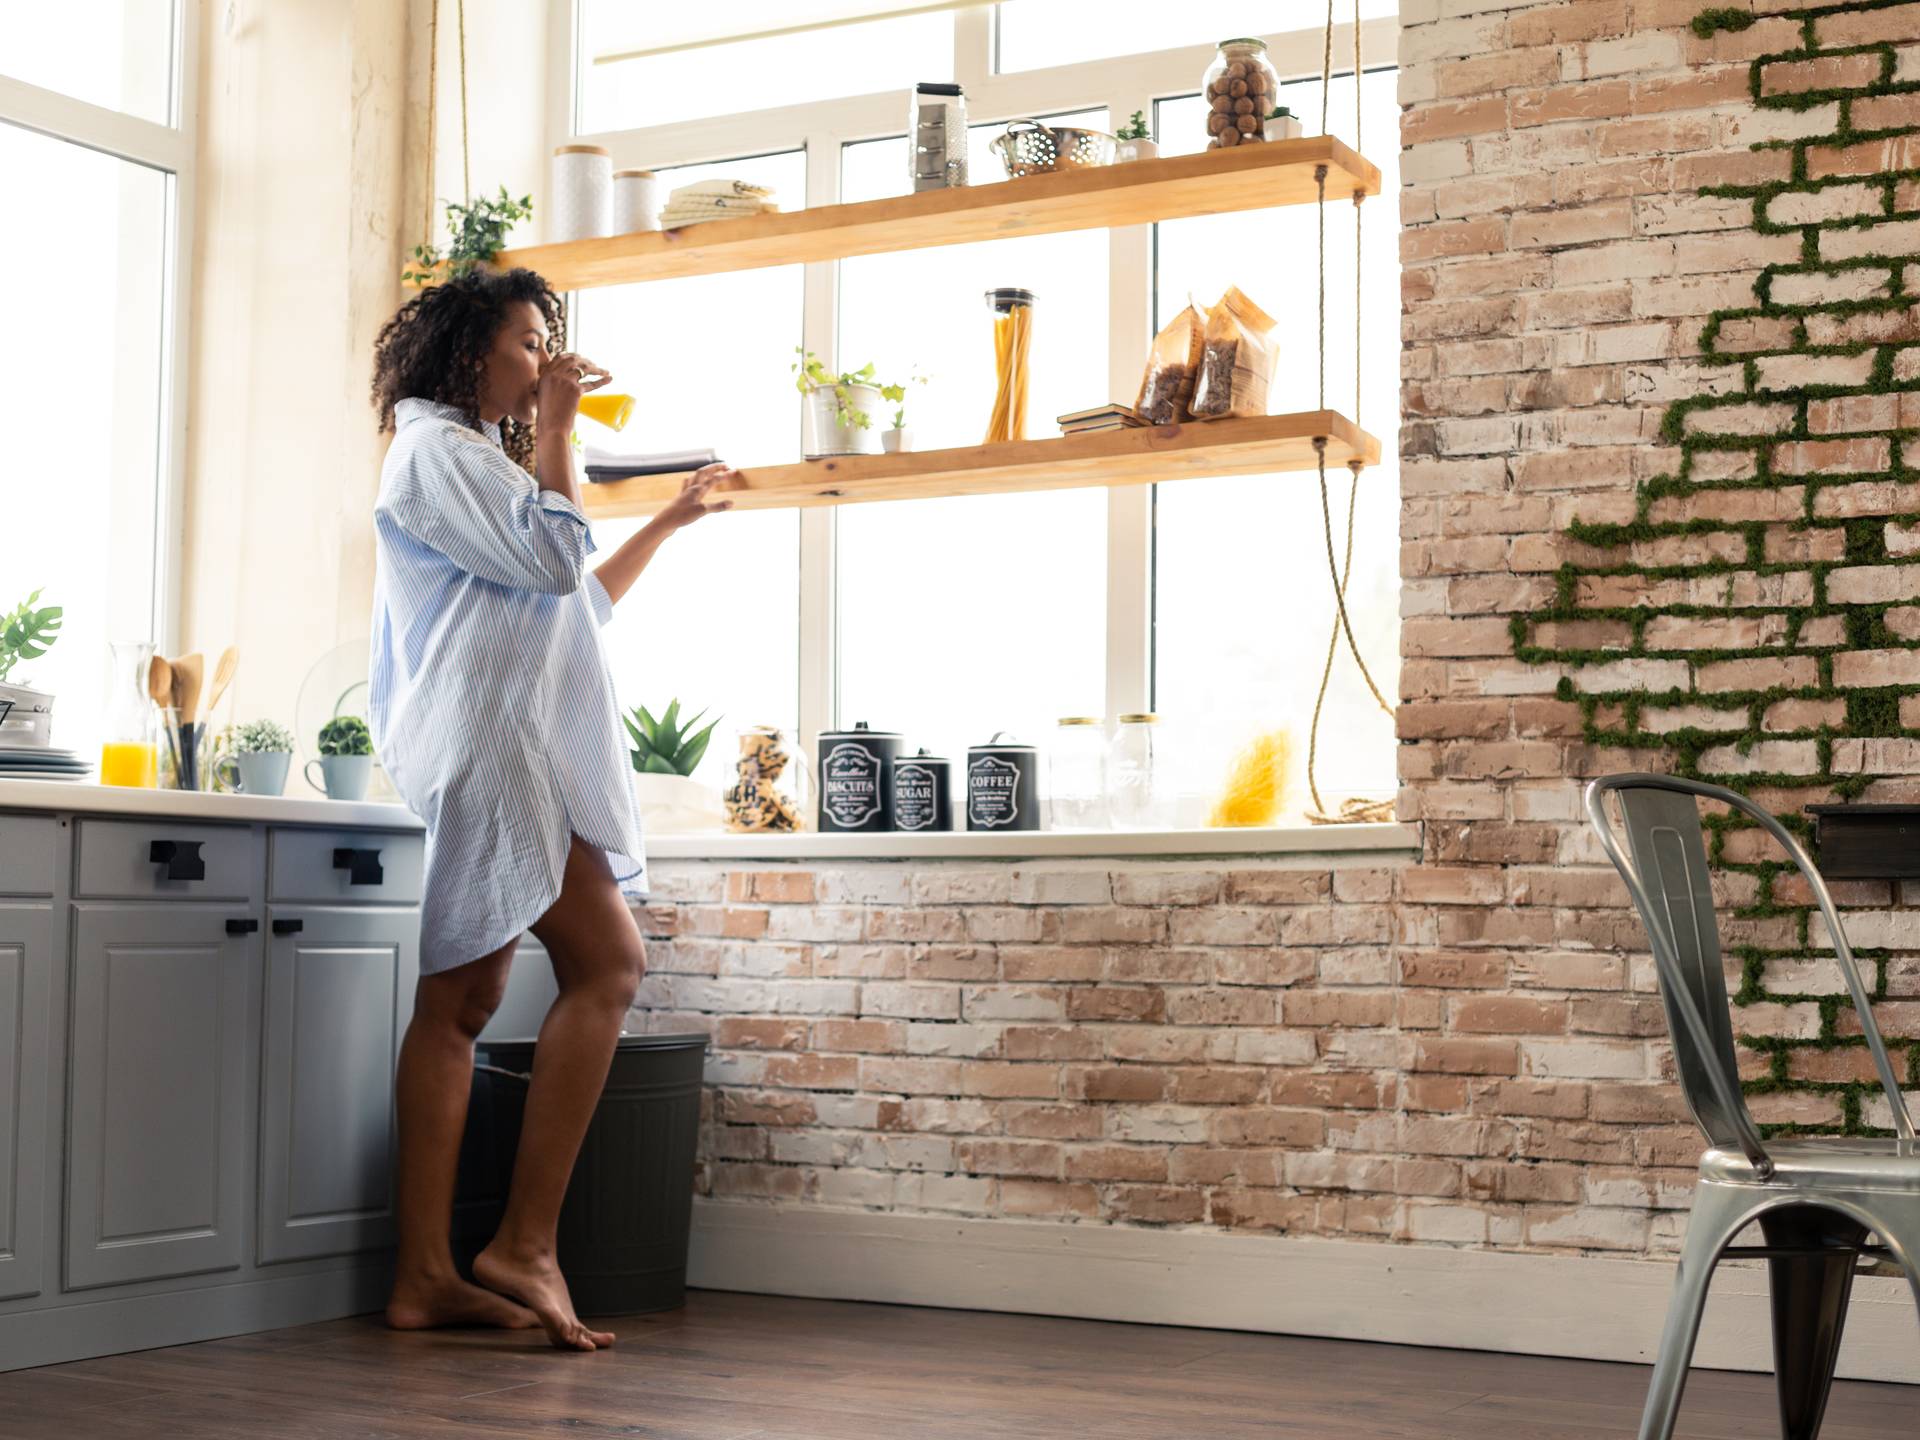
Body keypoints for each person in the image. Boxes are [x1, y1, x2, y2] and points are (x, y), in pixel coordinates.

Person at [366, 266, 733, 1351]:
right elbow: (554, 553)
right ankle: (516, 1244)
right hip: (490, 745)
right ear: (469, 350)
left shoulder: (469, 458)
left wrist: (667, 519)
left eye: (546, 345)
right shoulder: (437, 451)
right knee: (597, 967)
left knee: (467, 999)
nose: (543, 361)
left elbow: (574, 600)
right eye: (527, 343)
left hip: (500, 744)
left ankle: (428, 1275)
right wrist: (563, 428)